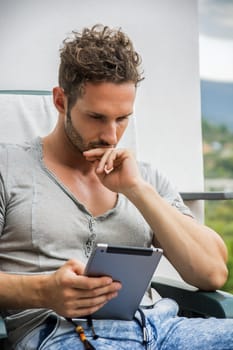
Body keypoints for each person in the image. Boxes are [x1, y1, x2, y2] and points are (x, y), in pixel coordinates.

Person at [0, 24, 232, 350]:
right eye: (97, 117)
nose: (111, 135)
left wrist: (137, 190)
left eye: (123, 118)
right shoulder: (7, 167)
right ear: (60, 101)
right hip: (65, 333)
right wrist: (44, 291)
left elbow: (212, 273)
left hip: (162, 329)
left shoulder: (144, 178)